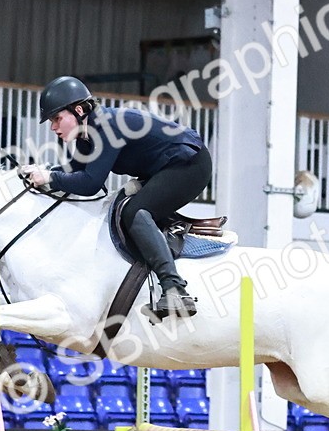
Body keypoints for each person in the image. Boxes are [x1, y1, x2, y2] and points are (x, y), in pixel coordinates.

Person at [20, 75, 211, 318]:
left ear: (78, 110)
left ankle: (175, 290)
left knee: (135, 212)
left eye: (57, 118)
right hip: (165, 167)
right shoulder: (87, 136)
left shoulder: (107, 126)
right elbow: (75, 171)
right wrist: (41, 173)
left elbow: (90, 184)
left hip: (190, 165)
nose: (53, 127)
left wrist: (48, 178)